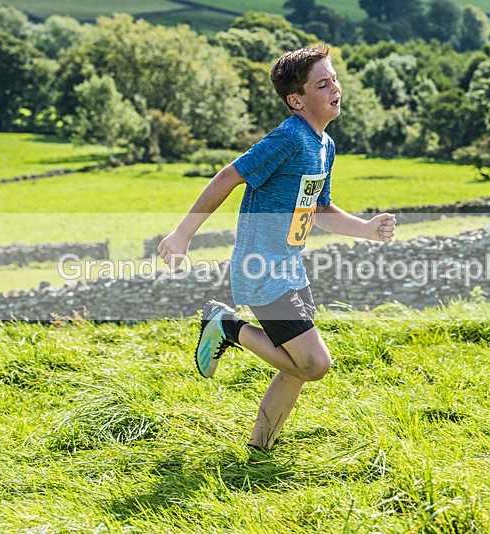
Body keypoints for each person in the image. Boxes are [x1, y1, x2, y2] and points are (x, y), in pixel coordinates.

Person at [158, 44, 396, 450]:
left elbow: (318, 208)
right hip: (262, 270)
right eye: (322, 84)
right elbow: (229, 176)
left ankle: (258, 450)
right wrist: (183, 234)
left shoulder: (324, 145)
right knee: (315, 364)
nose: (335, 88)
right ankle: (226, 325)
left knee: (295, 368)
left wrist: (366, 229)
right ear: (296, 100)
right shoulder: (289, 138)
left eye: (334, 79)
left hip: (290, 269)